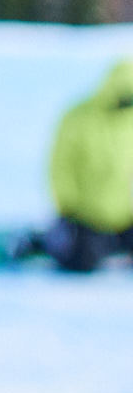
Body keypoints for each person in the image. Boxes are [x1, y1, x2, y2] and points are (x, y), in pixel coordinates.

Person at [42, 58, 133, 272]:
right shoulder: (80, 117)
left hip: (125, 216)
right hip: (87, 217)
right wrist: (68, 209)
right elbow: (61, 167)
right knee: (81, 262)